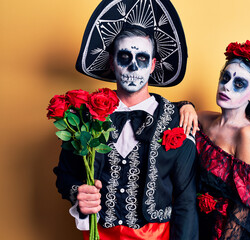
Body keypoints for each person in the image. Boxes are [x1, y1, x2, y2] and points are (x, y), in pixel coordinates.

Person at [53, 0, 198, 239]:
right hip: (98, 234)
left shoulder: (177, 120)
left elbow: (186, 200)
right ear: (112, 62)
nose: (133, 66)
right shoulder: (85, 118)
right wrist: (77, 192)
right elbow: (64, 174)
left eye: (142, 58)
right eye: (124, 57)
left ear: (152, 65)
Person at [180, 41, 250, 239]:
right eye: (225, 78)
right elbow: (173, 117)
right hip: (195, 222)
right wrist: (186, 105)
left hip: (228, 231)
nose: (226, 86)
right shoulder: (204, 118)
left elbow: (242, 209)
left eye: (239, 83)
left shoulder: (247, 135)